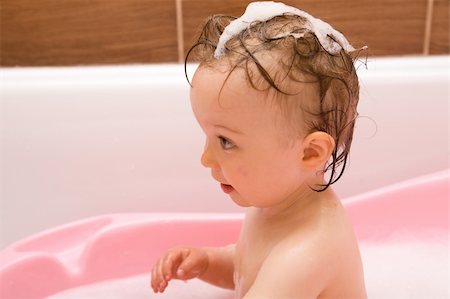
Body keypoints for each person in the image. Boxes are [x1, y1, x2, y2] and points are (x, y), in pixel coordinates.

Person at [151, 1, 367, 298]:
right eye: (209, 137)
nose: (206, 158)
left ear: (310, 153)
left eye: (226, 141)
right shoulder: (276, 203)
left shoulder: (306, 253)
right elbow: (248, 268)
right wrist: (207, 263)